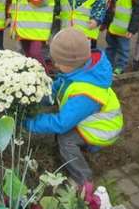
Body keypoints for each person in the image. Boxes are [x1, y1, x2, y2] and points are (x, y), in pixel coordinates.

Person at [24, 28, 123, 185]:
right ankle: (86, 147)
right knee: (65, 130)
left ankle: (83, 180)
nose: (55, 65)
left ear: (72, 63)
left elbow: (61, 124)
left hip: (103, 130)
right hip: (94, 121)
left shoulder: (85, 95)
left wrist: (29, 123)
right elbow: (57, 89)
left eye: (58, 62)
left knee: (66, 140)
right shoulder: (80, 71)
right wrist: (33, 96)